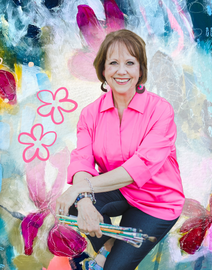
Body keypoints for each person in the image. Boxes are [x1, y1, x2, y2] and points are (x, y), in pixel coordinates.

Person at [55, 29, 184, 270]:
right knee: (75, 205)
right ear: (103, 70)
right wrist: (83, 200)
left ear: (140, 71)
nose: (121, 70)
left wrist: (82, 188)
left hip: (157, 201)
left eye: (130, 63)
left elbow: (139, 167)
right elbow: (82, 162)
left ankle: (107, 253)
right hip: (120, 191)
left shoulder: (161, 111)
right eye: (113, 63)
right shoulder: (90, 114)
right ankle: (109, 244)